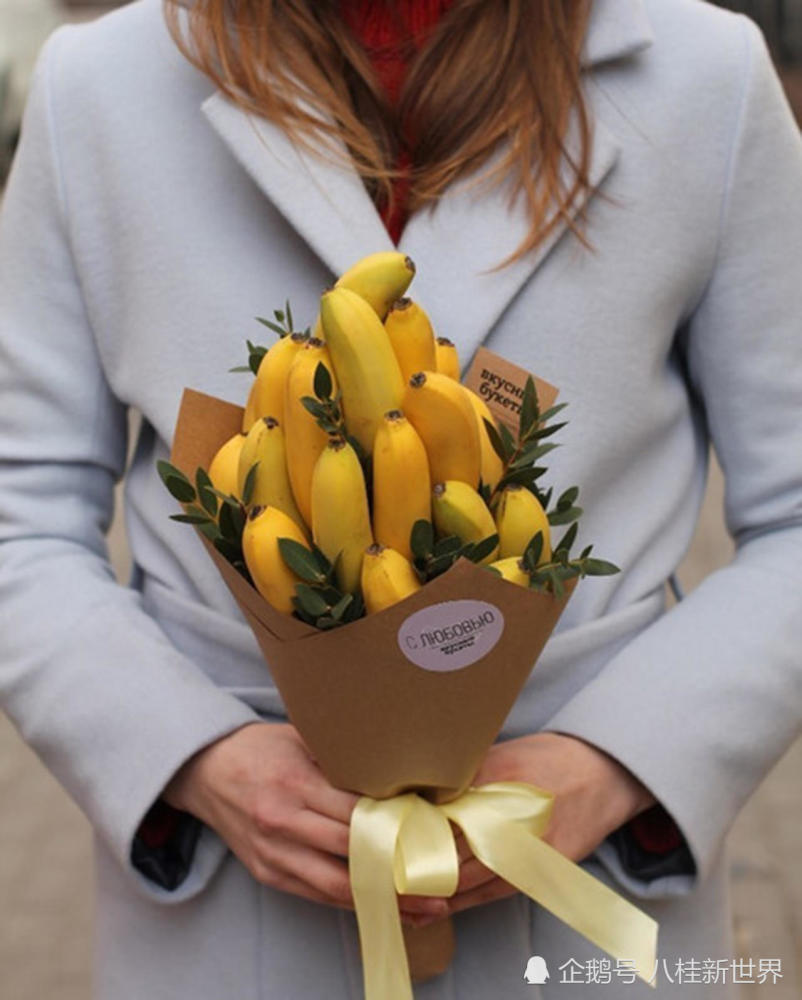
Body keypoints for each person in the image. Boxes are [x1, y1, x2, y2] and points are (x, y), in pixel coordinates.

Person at [0, 0, 800, 997]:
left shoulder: (707, 77)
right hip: (235, 901)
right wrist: (192, 757)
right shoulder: (96, 90)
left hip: (584, 895)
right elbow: (20, 513)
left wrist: (620, 761)